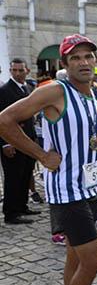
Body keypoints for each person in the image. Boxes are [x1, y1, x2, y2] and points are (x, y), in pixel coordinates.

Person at [0, 34, 97, 285]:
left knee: (75, 255)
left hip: (89, 188)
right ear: (64, 62)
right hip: (67, 193)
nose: (83, 62)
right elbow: (4, 120)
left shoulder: (93, 93)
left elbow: (94, 141)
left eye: (88, 56)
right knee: (93, 261)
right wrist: (41, 155)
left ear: (96, 60)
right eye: (75, 57)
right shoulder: (55, 90)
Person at [0, 58, 40, 224]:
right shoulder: (4, 90)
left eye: (20, 70)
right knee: (13, 177)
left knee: (25, 174)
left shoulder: (30, 88)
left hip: (29, 139)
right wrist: (5, 143)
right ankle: (11, 213)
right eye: (14, 70)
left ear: (27, 71)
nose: (17, 73)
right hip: (12, 141)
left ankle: (22, 206)